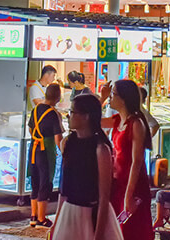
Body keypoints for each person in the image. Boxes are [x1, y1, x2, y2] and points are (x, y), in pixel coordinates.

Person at [51, 94, 121, 240]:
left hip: (91, 213)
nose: (68, 116)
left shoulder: (101, 149)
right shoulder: (67, 143)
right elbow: (64, 189)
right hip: (69, 212)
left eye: (72, 112)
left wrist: (99, 233)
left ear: (86, 116)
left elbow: (104, 196)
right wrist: (56, 222)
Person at [107, 79, 152, 240]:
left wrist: (129, 194)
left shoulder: (136, 123)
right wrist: (101, 97)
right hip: (118, 183)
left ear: (123, 98)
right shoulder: (117, 121)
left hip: (132, 185)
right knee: (116, 229)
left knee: (132, 230)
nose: (110, 98)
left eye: (113, 94)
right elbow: (91, 121)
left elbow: (137, 162)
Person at [27, 83, 64, 228]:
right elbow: (58, 139)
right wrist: (64, 151)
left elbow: (31, 130)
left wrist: (37, 138)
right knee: (45, 182)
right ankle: (42, 218)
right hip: (45, 150)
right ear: (58, 97)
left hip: (33, 148)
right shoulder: (54, 114)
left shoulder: (36, 109)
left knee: (34, 181)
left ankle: (33, 216)